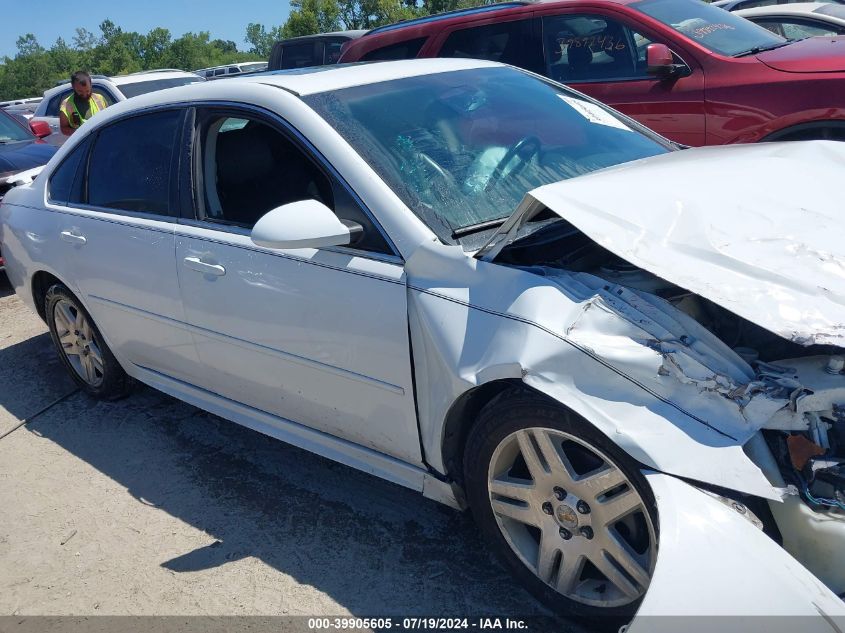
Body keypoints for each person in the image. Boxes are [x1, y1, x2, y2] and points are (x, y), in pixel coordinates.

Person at [59, 71, 108, 136]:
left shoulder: (100, 99)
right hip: (82, 143)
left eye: (87, 91)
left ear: (90, 84)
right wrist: (81, 133)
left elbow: (109, 120)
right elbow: (64, 128)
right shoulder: (66, 104)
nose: (85, 95)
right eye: (80, 91)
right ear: (73, 86)